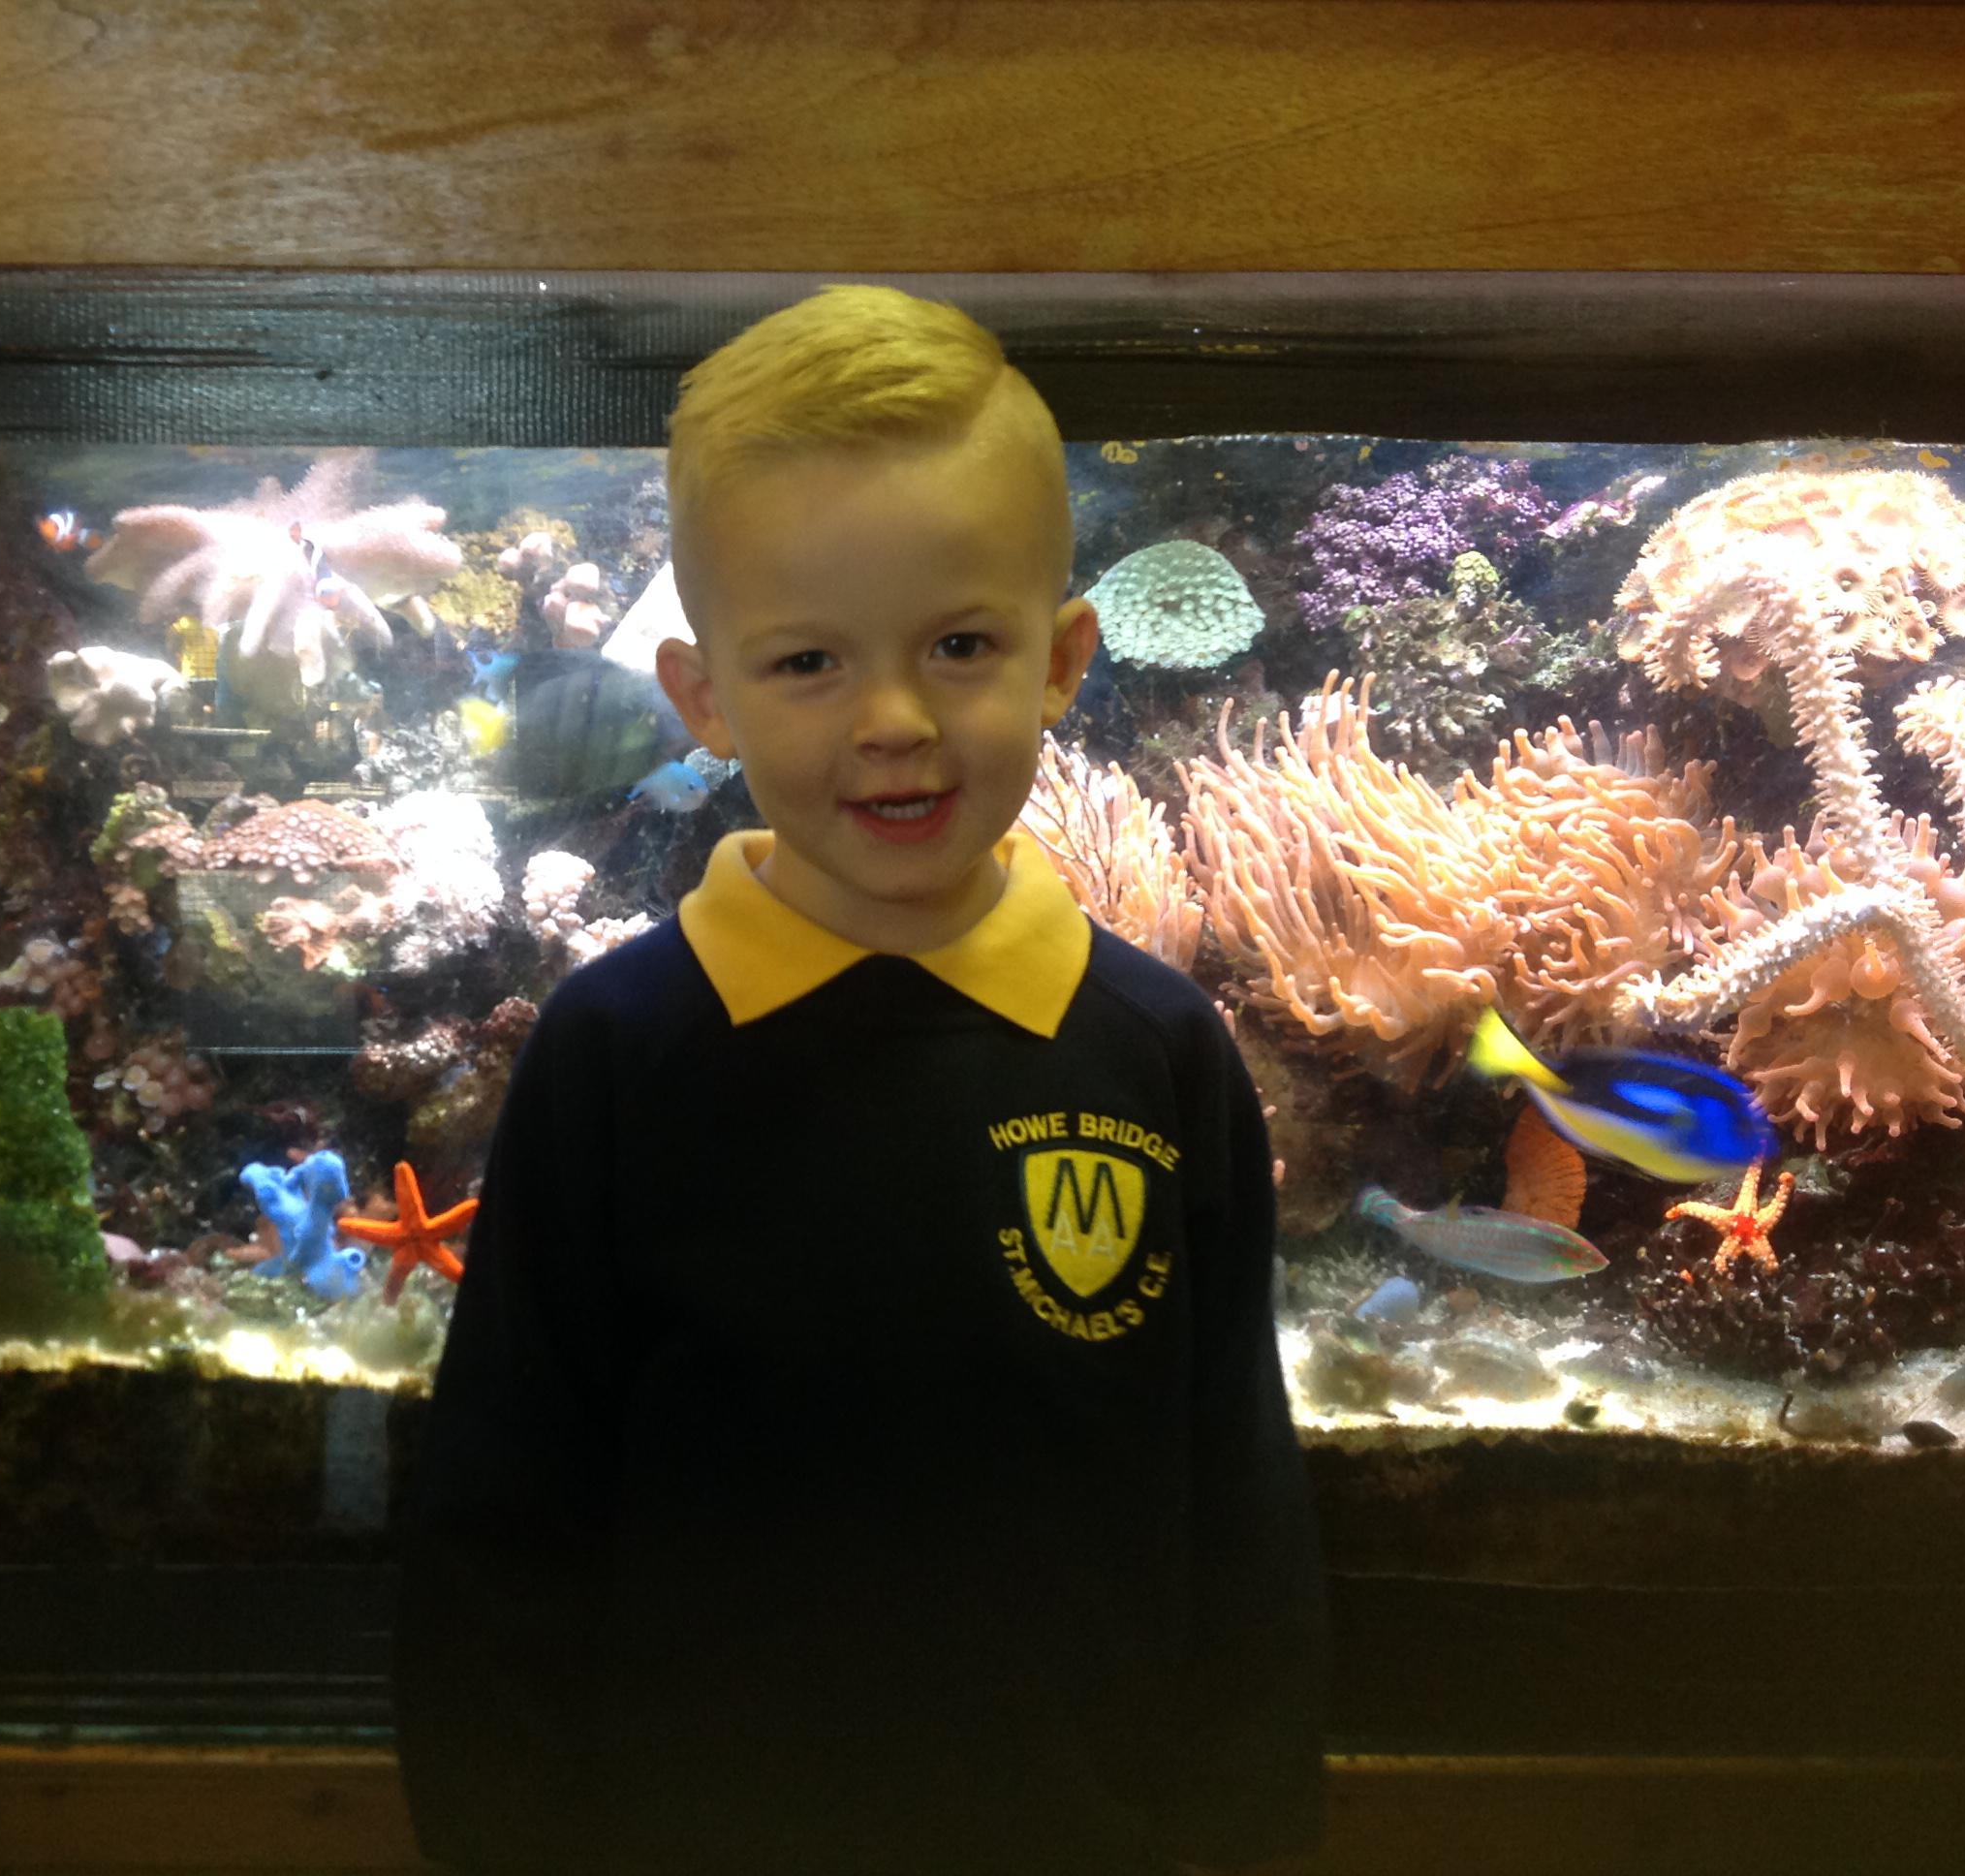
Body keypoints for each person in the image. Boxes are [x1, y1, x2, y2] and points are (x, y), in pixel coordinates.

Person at [394, 283, 1326, 1876]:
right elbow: (501, 1511)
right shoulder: (613, 1048)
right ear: (703, 698)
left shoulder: (1158, 1047)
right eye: (809, 661)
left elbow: (1239, 1501)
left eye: (960, 645)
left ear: (1063, 658)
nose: (893, 721)